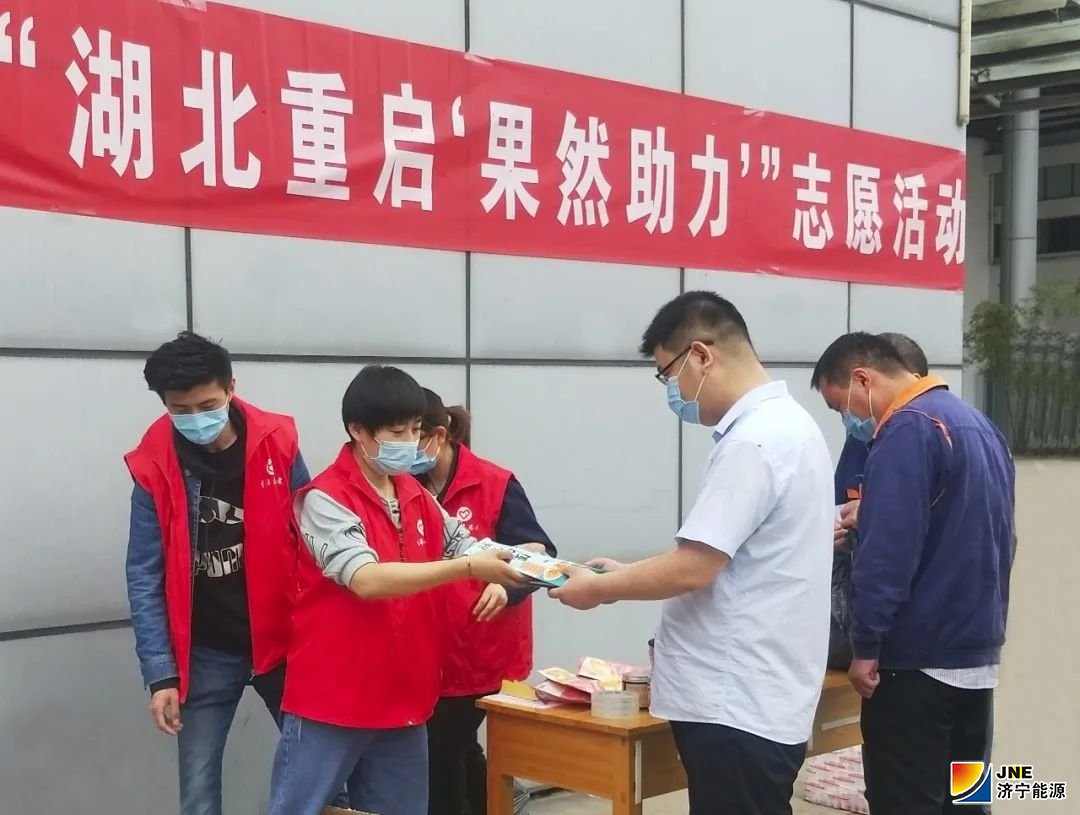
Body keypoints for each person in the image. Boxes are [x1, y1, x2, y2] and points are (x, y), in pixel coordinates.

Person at [549, 291, 833, 815]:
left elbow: (695, 567)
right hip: (762, 694)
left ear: (701, 356)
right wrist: (630, 571)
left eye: (668, 374)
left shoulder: (753, 442)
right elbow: (727, 555)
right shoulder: (791, 426)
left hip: (735, 701)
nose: (673, 392)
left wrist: (601, 589)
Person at [267, 365, 530, 815]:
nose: (409, 441)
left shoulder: (414, 493)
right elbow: (366, 579)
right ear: (358, 431)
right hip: (334, 699)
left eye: (415, 429)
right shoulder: (324, 498)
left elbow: (466, 543)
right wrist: (468, 568)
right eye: (396, 431)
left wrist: (535, 567)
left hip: (406, 697)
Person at [811, 332, 1015, 815]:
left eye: (840, 407)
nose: (848, 421)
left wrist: (866, 647)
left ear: (863, 380)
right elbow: (994, 534)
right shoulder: (981, 427)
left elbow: (888, 555)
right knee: (968, 800)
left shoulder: (906, 429)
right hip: (976, 662)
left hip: (914, 666)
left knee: (904, 801)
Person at [124, 331, 310, 815]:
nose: (196, 419)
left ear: (231, 387)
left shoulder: (277, 442)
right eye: (180, 410)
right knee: (199, 793)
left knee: (322, 775)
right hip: (205, 651)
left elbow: (315, 540)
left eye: (207, 405)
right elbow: (143, 575)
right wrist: (161, 675)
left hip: (283, 642)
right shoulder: (153, 464)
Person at [413, 388, 556, 815]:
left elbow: (541, 554)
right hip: (427, 649)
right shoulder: (404, 485)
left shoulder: (495, 483)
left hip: (481, 651)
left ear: (438, 436)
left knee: (441, 753)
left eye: (412, 435)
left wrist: (507, 588)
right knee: (456, 750)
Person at [828, 331, 929, 670]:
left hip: (913, 638)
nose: (847, 416)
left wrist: (871, 515)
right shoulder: (863, 440)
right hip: (861, 628)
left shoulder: (927, 434)